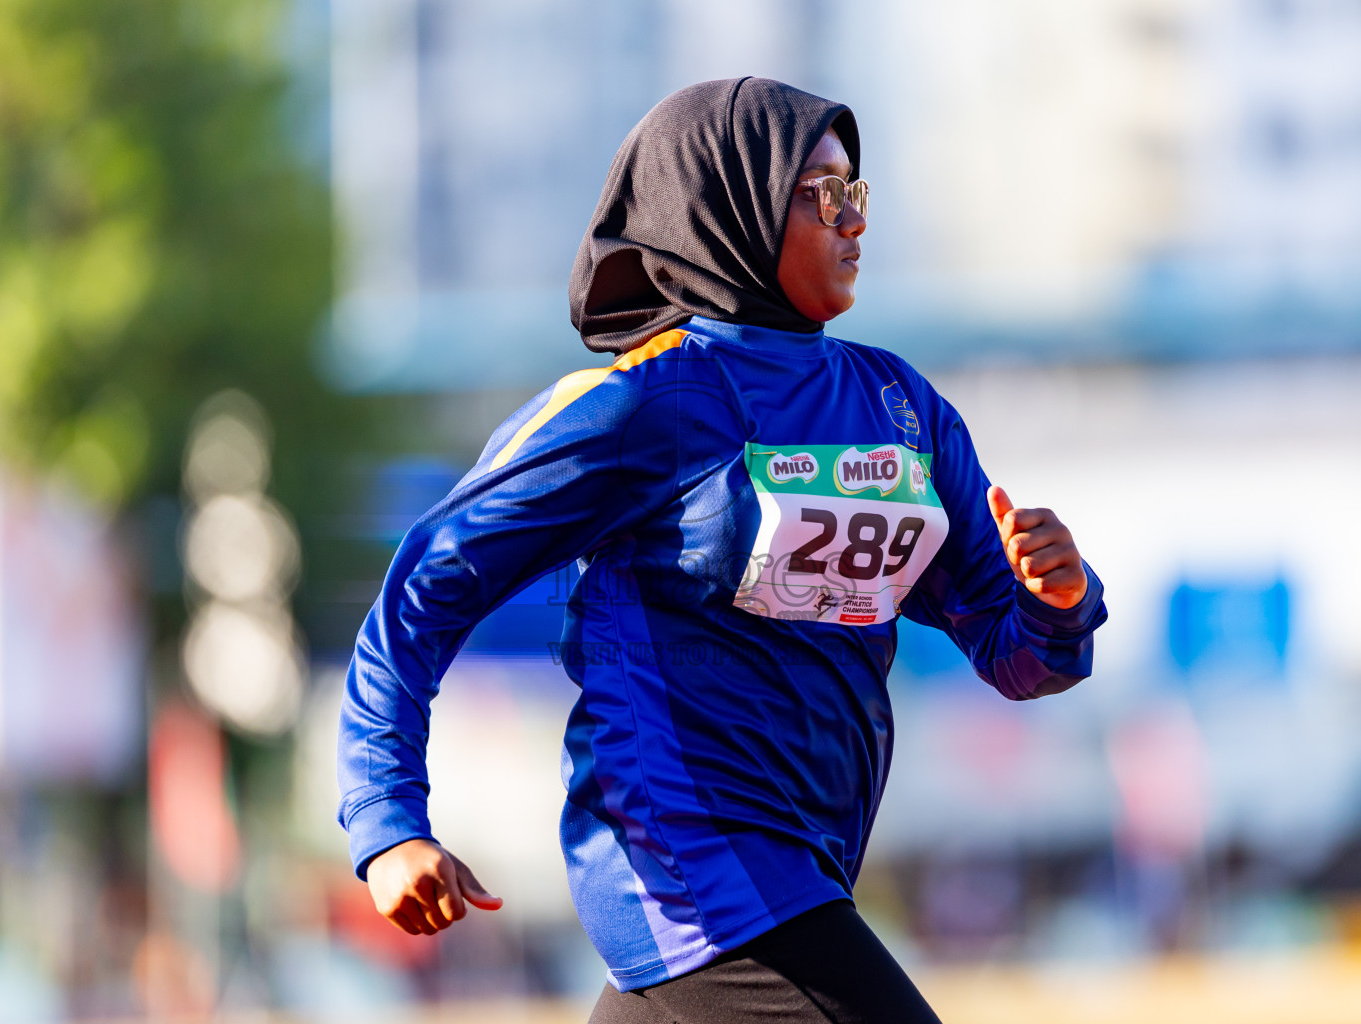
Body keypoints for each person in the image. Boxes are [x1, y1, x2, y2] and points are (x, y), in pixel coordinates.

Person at [337, 77, 1107, 1023]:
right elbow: (421, 592)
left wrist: (1056, 600)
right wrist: (386, 822)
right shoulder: (644, 404)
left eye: (858, 191)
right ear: (730, 207)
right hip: (695, 878)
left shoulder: (898, 405)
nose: (855, 219)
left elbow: (1018, 656)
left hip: (802, 872)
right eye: (823, 194)